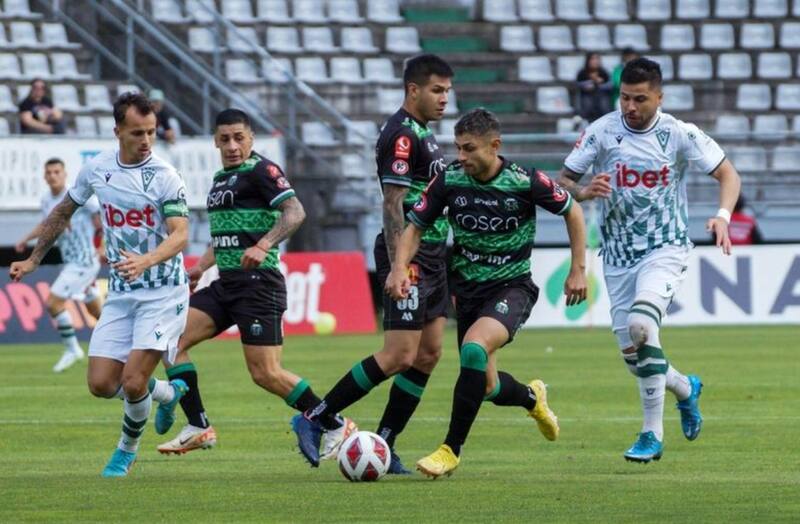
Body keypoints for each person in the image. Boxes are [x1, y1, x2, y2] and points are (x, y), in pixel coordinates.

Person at [385, 108, 588, 478]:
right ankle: (532, 398)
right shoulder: (449, 180)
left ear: (495, 146)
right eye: (457, 148)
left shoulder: (526, 181)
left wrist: (578, 269)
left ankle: (451, 449)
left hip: (513, 287)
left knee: (474, 348)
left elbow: (572, 211)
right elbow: (414, 226)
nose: (460, 157)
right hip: (469, 292)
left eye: (469, 149)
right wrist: (399, 267)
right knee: (488, 385)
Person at [558, 57, 741, 463]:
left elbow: (729, 174)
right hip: (618, 255)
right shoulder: (601, 131)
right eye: (625, 98)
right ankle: (685, 388)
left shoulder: (679, 134)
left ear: (659, 97)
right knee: (635, 358)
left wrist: (723, 216)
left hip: (665, 248)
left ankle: (650, 435)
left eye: (640, 99)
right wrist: (585, 191)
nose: (630, 107)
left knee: (643, 325)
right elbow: (563, 181)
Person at [10, 92, 192, 477]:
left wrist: (147, 259)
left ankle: (126, 451)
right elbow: (63, 211)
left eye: (151, 132)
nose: (146, 141)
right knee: (101, 384)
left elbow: (180, 236)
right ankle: (169, 393)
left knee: (131, 380)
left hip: (163, 291)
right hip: (123, 293)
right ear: (117, 132)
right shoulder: (96, 169)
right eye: (137, 133)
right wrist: (33, 259)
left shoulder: (164, 175)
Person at [290, 54, 454, 472]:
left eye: (448, 92)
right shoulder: (401, 134)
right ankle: (315, 416)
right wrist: (400, 264)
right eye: (437, 90)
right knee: (400, 353)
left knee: (429, 353)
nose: (444, 100)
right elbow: (392, 201)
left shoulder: (424, 133)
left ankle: (384, 442)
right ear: (413, 90)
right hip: (410, 255)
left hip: (435, 254)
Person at [155, 109, 349, 455]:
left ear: (251, 138)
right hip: (226, 284)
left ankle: (334, 422)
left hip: (259, 285)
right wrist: (200, 267)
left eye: (239, 138)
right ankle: (198, 425)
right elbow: (226, 235)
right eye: (225, 138)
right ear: (215, 140)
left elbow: (295, 212)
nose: (232, 145)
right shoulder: (220, 179)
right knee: (171, 340)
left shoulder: (263, 170)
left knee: (266, 374)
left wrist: (265, 243)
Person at [15, 158, 104, 372]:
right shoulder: (46, 200)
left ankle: (73, 349)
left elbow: (101, 221)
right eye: (49, 172)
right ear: (45, 177)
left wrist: (103, 248)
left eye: (57, 172)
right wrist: (26, 238)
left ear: (64, 175)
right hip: (70, 261)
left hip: (84, 260)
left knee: (53, 303)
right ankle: (122, 341)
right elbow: (48, 225)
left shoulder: (79, 197)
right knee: (97, 313)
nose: (53, 175)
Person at [576, 53, 613, 123]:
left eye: (597, 59)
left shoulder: (603, 72)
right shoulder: (582, 73)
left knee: (604, 101)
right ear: (588, 61)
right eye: (592, 59)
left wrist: (599, 84)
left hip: (601, 101)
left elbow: (610, 85)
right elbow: (578, 84)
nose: (595, 61)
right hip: (587, 100)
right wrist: (589, 83)